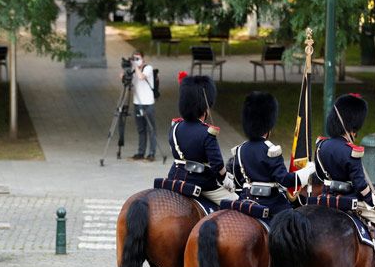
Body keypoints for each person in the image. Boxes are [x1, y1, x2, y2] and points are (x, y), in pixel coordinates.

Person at [315, 94, 375, 267]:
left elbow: (321, 175)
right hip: (350, 201)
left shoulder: (321, 146)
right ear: (352, 125)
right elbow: (361, 186)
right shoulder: (351, 150)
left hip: (326, 199)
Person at [231, 92, 315, 219]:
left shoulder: (240, 149)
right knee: (295, 223)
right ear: (268, 125)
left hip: (245, 199)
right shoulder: (271, 150)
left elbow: (237, 179)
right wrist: (307, 171)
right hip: (271, 203)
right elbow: (285, 180)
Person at [166, 75, 235, 211]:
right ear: (205, 108)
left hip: (175, 176)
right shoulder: (207, 132)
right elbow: (217, 165)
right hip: (201, 182)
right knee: (236, 202)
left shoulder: (175, 127)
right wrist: (226, 180)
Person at [129, 50, 157, 161]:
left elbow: (141, 77)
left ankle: (151, 153)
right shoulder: (133, 70)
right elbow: (131, 85)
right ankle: (141, 152)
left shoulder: (148, 68)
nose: (136, 61)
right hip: (137, 103)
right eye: (134, 59)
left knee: (151, 128)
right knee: (141, 129)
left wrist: (135, 67)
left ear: (143, 59)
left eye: (138, 58)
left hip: (148, 103)